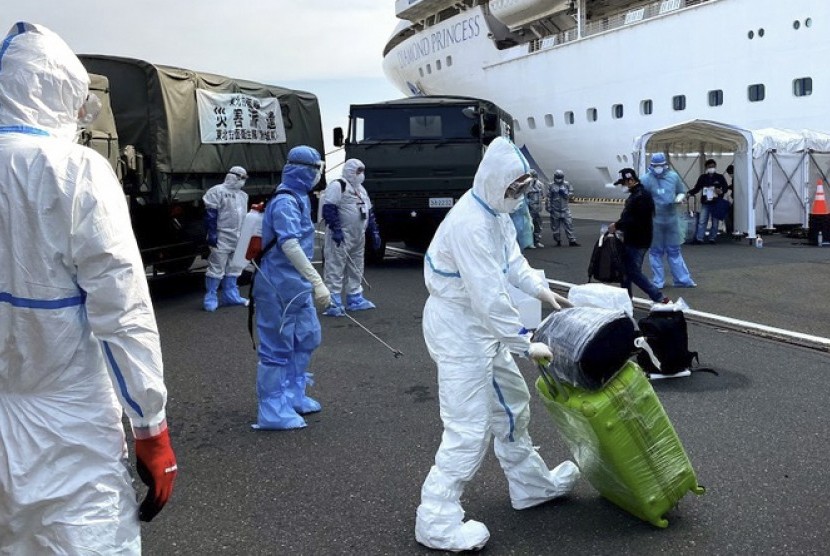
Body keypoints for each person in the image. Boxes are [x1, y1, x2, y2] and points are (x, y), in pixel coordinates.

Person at [0, 22, 176, 554]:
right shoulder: (75, 171)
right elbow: (123, 312)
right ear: (57, 93)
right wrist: (151, 427)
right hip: (68, 426)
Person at [415, 136, 580, 552]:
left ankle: (530, 485)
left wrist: (543, 291)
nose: (519, 195)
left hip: (481, 327)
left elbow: (513, 265)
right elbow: (488, 296)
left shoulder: (496, 213)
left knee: (512, 405)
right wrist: (526, 342)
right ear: (493, 182)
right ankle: (435, 518)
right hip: (459, 330)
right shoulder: (470, 223)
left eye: (524, 188)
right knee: (468, 429)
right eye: (514, 188)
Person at [252, 145, 331, 430]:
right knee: (277, 345)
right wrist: (317, 281)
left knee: (306, 337)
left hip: (295, 284)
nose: (317, 175)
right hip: (277, 284)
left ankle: (293, 394)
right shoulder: (285, 200)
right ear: (303, 170)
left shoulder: (300, 197)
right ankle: (272, 409)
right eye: (315, 169)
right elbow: (289, 243)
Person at [320, 158, 381, 317]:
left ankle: (355, 297)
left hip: (358, 235)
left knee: (356, 266)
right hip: (341, 236)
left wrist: (374, 232)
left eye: (362, 171)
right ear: (349, 171)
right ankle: (333, 300)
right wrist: (336, 229)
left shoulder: (361, 189)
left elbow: (369, 212)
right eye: (358, 171)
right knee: (335, 267)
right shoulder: (338, 186)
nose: (361, 175)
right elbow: (329, 208)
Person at [608, 168, 669, 304]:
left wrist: (617, 226)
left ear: (631, 180)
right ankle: (626, 300)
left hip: (638, 240)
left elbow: (635, 220)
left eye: (623, 183)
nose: (623, 186)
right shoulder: (637, 195)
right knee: (625, 271)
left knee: (632, 271)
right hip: (632, 238)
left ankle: (658, 297)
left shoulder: (641, 196)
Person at [641, 153, 696, 289]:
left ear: (665, 164)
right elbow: (641, 198)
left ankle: (682, 280)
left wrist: (679, 198)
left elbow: (681, 191)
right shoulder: (645, 179)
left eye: (660, 165)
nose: (658, 168)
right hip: (654, 221)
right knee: (655, 251)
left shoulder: (673, 177)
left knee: (674, 250)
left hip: (671, 219)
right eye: (656, 166)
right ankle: (658, 281)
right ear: (651, 166)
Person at [203, 166, 250, 311]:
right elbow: (211, 213)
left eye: (244, 179)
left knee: (234, 266)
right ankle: (211, 296)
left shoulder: (243, 196)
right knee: (217, 266)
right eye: (241, 178)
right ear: (233, 176)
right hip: (222, 235)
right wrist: (212, 233)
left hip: (238, 235)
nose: (242, 181)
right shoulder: (217, 191)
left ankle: (231, 295)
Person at [687, 159, 729, 244]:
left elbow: (725, 187)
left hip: (716, 202)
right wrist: (689, 193)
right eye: (710, 167)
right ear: (706, 168)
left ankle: (712, 238)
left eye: (713, 166)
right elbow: (697, 188)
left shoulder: (720, 177)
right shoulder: (703, 177)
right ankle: (700, 238)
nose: (712, 168)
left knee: (715, 221)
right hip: (706, 202)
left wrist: (721, 191)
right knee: (702, 220)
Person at [546, 169, 580, 246]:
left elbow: (571, 193)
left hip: (565, 208)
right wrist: (548, 207)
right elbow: (548, 197)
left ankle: (572, 240)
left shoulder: (566, 184)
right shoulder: (551, 185)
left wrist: (565, 194)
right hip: (555, 209)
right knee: (555, 227)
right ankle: (558, 241)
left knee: (569, 224)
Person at [525, 171, 545, 248]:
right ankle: (529, 242)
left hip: (537, 209)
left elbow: (543, 195)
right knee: (529, 226)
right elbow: (524, 197)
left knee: (538, 225)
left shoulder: (540, 185)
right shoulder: (527, 185)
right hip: (529, 209)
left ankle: (537, 241)